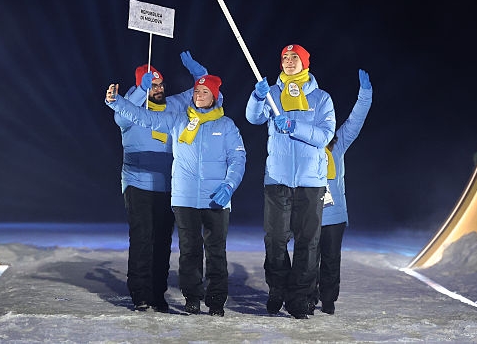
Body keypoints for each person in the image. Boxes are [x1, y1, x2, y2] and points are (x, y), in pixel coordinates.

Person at [105, 71, 246, 317]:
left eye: (205, 92)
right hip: (184, 198)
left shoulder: (226, 125)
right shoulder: (179, 119)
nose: (199, 95)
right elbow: (143, 117)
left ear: (215, 96)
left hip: (215, 198)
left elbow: (238, 158)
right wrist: (117, 101)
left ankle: (215, 301)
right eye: (196, 91)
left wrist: (229, 185)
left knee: (215, 251)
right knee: (189, 251)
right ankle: (191, 297)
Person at [113, 51, 209, 312]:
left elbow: (206, 91)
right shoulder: (131, 108)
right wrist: (136, 93)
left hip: (167, 186)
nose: (158, 89)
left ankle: (157, 292)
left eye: (160, 85)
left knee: (163, 241)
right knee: (142, 239)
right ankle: (140, 293)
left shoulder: (176, 106)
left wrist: (198, 72)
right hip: (137, 183)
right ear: (141, 85)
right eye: (152, 85)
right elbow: (119, 115)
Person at [246, 44, 335, 319]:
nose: (288, 62)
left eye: (294, 57)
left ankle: (300, 297)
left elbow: (325, 135)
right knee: (275, 239)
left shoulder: (321, 98)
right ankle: (278, 289)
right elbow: (252, 117)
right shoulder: (273, 94)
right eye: (284, 57)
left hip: (311, 181)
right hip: (277, 178)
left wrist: (295, 126)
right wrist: (257, 97)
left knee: (308, 242)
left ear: (305, 63)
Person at [311, 68, 373, 315]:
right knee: (306, 261)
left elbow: (355, 121)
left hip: (334, 216)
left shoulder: (337, 143)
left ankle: (327, 300)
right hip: (308, 213)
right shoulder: (302, 145)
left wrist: (365, 95)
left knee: (330, 261)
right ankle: (307, 296)